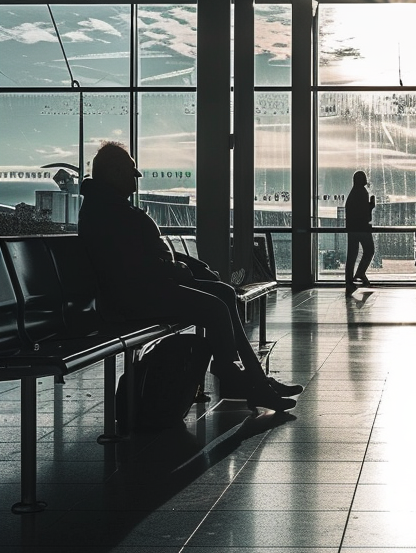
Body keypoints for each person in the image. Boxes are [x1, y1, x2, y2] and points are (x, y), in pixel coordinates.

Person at [77, 142, 301, 411]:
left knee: (225, 293)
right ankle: (234, 375)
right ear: (113, 172)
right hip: (135, 297)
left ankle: (253, 378)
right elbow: (135, 264)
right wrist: (181, 271)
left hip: (147, 288)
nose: (135, 179)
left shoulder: (107, 207)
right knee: (217, 306)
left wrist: (191, 268)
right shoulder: (107, 212)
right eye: (130, 172)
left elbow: (144, 257)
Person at [344, 170, 375, 290]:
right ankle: (360, 273)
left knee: (351, 255)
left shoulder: (353, 193)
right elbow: (365, 215)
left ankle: (349, 281)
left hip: (352, 228)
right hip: (361, 228)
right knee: (369, 250)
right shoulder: (363, 193)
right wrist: (371, 207)